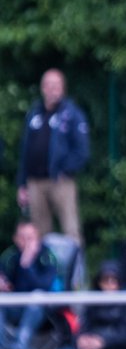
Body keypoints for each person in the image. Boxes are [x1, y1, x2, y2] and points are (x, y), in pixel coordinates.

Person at [16, 69, 90, 244]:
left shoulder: (72, 114)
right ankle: (43, 271)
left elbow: (82, 151)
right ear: (42, 88)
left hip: (61, 181)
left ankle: (76, 271)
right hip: (35, 182)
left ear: (63, 88)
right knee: (38, 234)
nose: (52, 89)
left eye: (56, 85)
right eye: (48, 85)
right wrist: (22, 183)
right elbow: (25, 150)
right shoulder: (34, 113)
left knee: (71, 229)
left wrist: (66, 169)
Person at [0, 220, 60, 349]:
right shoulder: (9, 256)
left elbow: (44, 286)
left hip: (44, 313)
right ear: (16, 239)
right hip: (15, 309)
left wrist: (27, 264)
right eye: (22, 237)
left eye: (30, 237)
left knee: (36, 298)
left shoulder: (47, 256)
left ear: (38, 238)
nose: (26, 242)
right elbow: (7, 281)